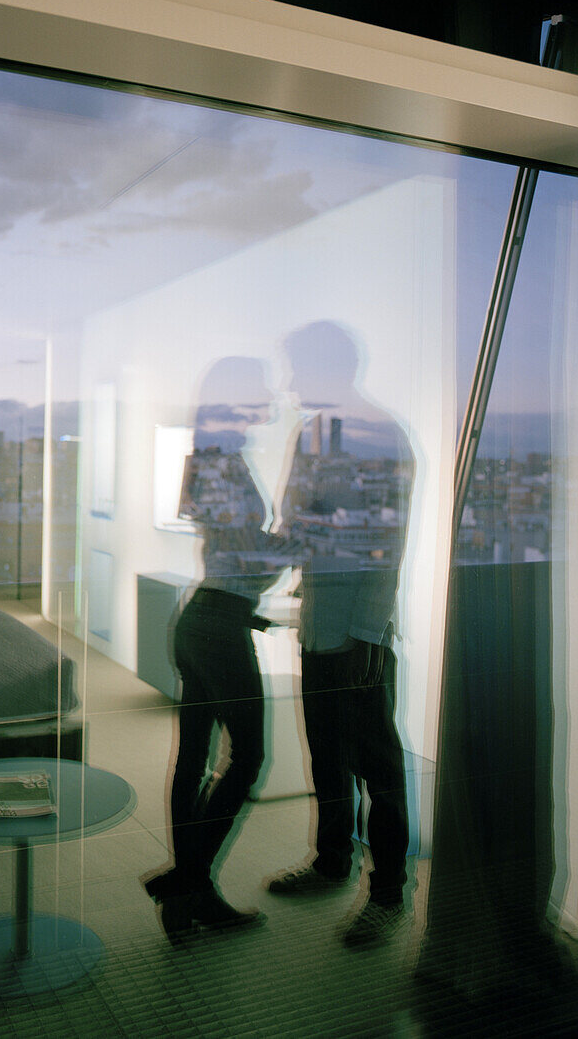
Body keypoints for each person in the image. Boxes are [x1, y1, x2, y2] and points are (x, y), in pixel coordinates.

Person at [265, 321, 414, 949]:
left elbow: (385, 543)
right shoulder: (311, 432)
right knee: (327, 757)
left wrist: (364, 635)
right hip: (321, 626)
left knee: (377, 769)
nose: (292, 382)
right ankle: (332, 863)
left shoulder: (380, 435)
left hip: (358, 635)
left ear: (332, 369)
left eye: (299, 368)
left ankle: (387, 895)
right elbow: (297, 520)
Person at [143, 356, 289, 942]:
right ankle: (190, 882)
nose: (270, 399)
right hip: (217, 627)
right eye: (261, 390)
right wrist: (305, 536)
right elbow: (246, 553)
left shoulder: (208, 457)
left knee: (195, 761)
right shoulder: (222, 462)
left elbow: (228, 553)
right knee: (247, 759)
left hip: (205, 619)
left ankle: (186, 895)